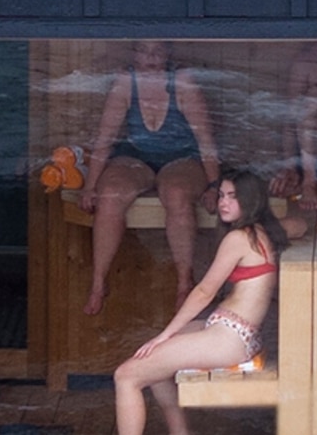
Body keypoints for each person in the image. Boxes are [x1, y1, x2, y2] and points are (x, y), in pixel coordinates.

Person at [111, 172, 281, 435]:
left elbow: (205, 292)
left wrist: (167, 332)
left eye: (233, 196)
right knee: (151, 360)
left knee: (126, 376)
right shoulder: (262, 232)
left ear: (250, 200)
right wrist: (164, 338)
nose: (223, 202)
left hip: (228, 338)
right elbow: (298, 224)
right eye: (222, 195)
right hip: (236, 333)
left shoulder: (240, 237)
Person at [80, 40, 219, 315]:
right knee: (109, 194)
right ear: (133, 53)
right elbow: (104, 138)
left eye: (157, 50)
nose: (151, 58)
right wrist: (90, 186)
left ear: (168, 52)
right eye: (143, 50)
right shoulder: (125, 81)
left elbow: (206, 140)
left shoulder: (182, 80)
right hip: (137, 155)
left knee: (176, 193)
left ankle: (184, 282)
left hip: (182, 157)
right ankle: (98, 283)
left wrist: (215, 185)